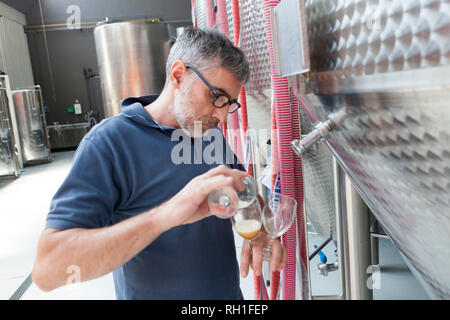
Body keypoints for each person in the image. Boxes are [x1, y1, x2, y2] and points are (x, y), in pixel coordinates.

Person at [32, 27, 287, 299]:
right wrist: (165, 215)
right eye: (216, 97)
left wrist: (258, 225)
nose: (222, 117)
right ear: (178, 75)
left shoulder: (207, 132)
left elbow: (242, 188)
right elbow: (49, 269)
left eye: (229, 104)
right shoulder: (110, 144)